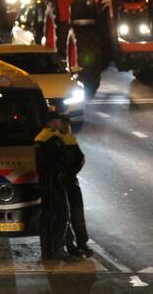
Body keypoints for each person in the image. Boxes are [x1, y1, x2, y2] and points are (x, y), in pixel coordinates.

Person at [35, 111, 70, 261]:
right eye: (56, 120)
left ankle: (46, 251)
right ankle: (57, 249)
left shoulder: (41, 137)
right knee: (62, 215)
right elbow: (60, 159)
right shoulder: (50, 138)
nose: (59, 123)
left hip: (46, 181)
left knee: (47, 216)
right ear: (51, 122)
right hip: (52, 182)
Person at [58, 115, 92, 258]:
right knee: (67, 215)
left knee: (77, 215)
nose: (66, 127)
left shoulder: (69, 138)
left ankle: (80, 244)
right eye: (64, 125)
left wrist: (72, 172)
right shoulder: (55, 139)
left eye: (67, 125)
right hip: (62, 184)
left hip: (70, 181)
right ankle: (71, 245)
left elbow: (80, 158)